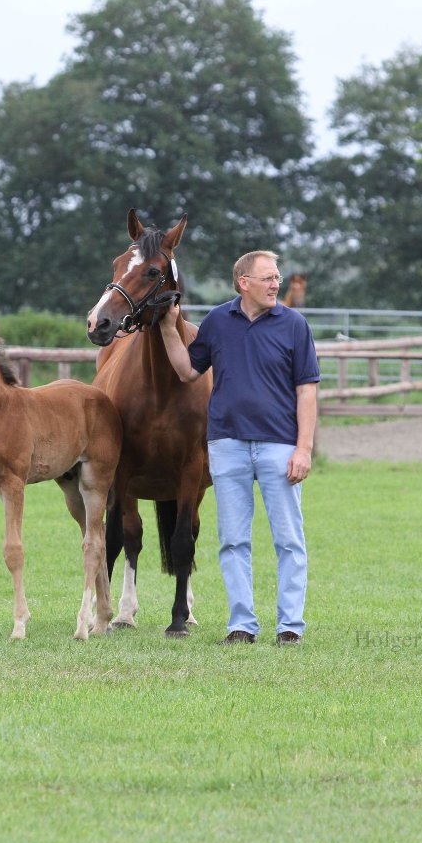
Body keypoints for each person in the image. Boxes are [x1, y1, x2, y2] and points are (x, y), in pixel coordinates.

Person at [159, 250, 320, 645]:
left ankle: (290, 628)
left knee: (289, 540)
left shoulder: (294, 325)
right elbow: (186, 371)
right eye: (267, 277)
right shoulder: (217, 322)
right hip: (227, 446)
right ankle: (242, 626)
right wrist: (167, 327)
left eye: (277, 277)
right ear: (243, 283)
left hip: (279, 447)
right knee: (232, 540)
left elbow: (307, 391)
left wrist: (304, 448)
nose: (275, 284)